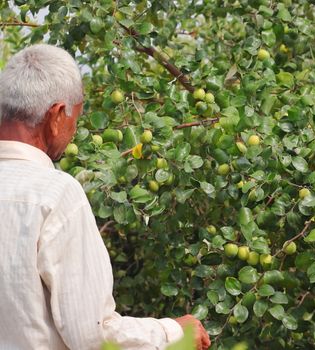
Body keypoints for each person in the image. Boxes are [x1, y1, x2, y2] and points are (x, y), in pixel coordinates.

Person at [0, 44, 211, 350]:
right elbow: (92, 335)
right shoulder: (56, 195)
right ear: (57, 115)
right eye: (76, 118)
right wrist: (172, 332)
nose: (73, 131)